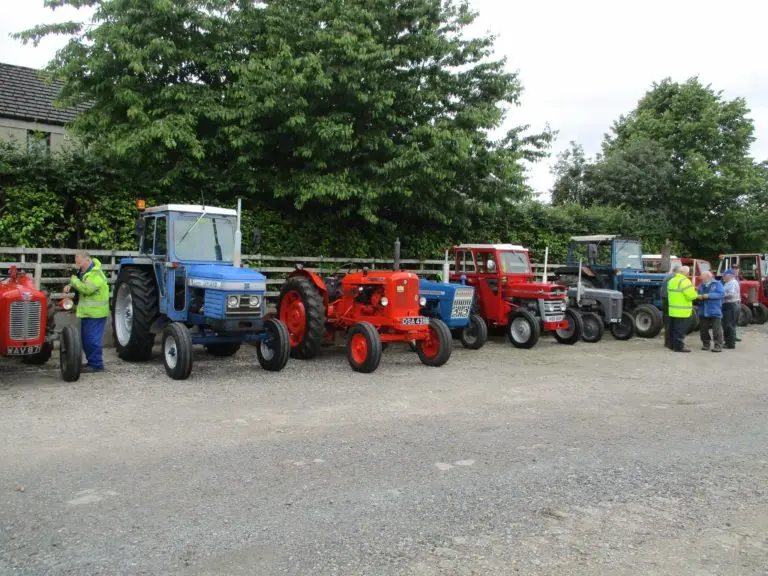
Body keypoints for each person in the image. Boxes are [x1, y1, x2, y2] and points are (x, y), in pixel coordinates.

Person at [63, 250, 109, 372]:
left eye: (79, 263)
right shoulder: (86, 272)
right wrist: (70, 285)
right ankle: (92, 362)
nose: (78, 266)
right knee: (86, 339)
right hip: (88, 312)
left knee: (92, 340)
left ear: (87, 260)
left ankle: (96, 365)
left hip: (96, 313)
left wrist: (74, 281)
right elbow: (79, 281)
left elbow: (87, 289)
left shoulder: (96, 274)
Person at [667, 265, 698, 352]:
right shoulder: (685, 281)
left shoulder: (672, 280)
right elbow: (691, 296)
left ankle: (672, 345)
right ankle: (679, 347)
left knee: (673, 329)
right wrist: (696, 294)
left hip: (673, 309)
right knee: (680, 330)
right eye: (688, 273)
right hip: (682, 310)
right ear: (685, 273)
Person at [696, 270, 724, 352]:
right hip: (703, 311)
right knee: (703, 330)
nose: (700, 278)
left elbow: (721, 294)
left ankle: (718, 346)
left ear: (708, 277)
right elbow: (698, 293)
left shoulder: (717, 284)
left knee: (716, 330)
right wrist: (699, 297)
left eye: (702, 277)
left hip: (715, 310)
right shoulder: (701, 285)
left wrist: (709, 295)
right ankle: (706, 344)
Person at [661, 263, 682, 349]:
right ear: (677, 271)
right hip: (669, 300)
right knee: (670, 322)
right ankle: (669, 342)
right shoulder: (673, 278)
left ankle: (667, 342)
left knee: (667, 321)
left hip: (665, 299)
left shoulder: (667, 276)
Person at [721, 269, 740, 349]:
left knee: (729, 324)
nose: (723, 276)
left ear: (730, 275)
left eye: (725, 275)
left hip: (730, 304)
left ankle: (730, 344)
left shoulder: (732, 283)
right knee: (728, 324)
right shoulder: (728, 282)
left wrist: (720, 295)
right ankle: (729, 341)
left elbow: (731, 295)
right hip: (729, 304)